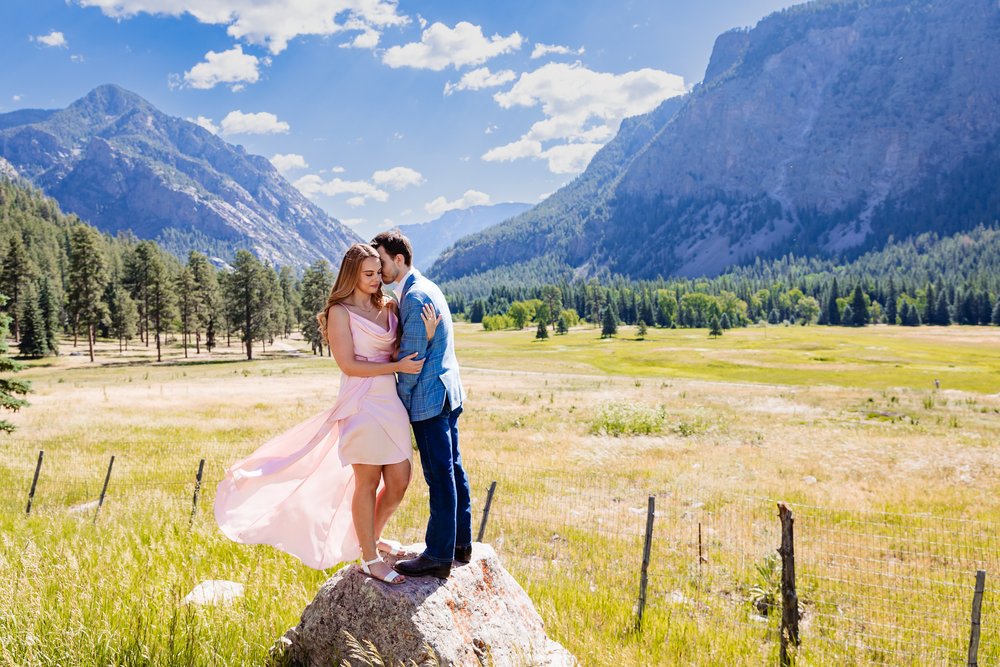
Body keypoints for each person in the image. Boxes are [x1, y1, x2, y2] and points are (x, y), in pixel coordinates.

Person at [214, 243, 438, 585]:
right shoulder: (340, 311)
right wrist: (395, 365)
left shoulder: (389, 306)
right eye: (369, 274)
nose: (377, 279)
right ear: (351, 275)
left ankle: (369, 538)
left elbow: (401, 348)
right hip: (360, 402)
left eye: (379, 272)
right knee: (368, 480)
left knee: (399, 481)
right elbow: (348, 364)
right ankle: (369, 557)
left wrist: (427, 335)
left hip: (389, 401)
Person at [371, 231, 471, 580]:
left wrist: (395, 405)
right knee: (453, 469)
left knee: (439, 475)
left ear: (399, 259)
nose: (379, 269)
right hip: (448, 392)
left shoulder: (413, 298)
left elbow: (411, 362)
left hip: (428, 398)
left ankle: (439, 555)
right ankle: (460, 543)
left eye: (381, 261)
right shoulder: (430, 286)